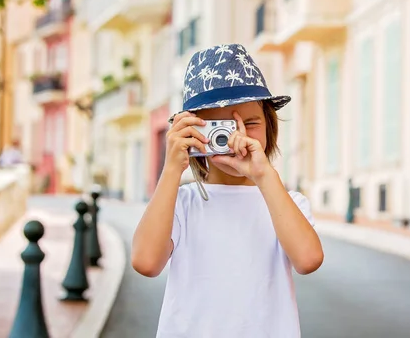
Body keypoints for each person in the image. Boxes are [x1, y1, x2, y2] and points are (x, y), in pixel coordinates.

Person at [132, 43, 324, 338]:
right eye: (218, 127)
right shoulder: (181, 203)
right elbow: (145, 262)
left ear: (270, 127)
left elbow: (308, 260)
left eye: (250, 123)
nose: (237, 136)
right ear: (193, 132)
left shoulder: (287, 203)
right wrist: (171, 169)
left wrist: (264, 174)